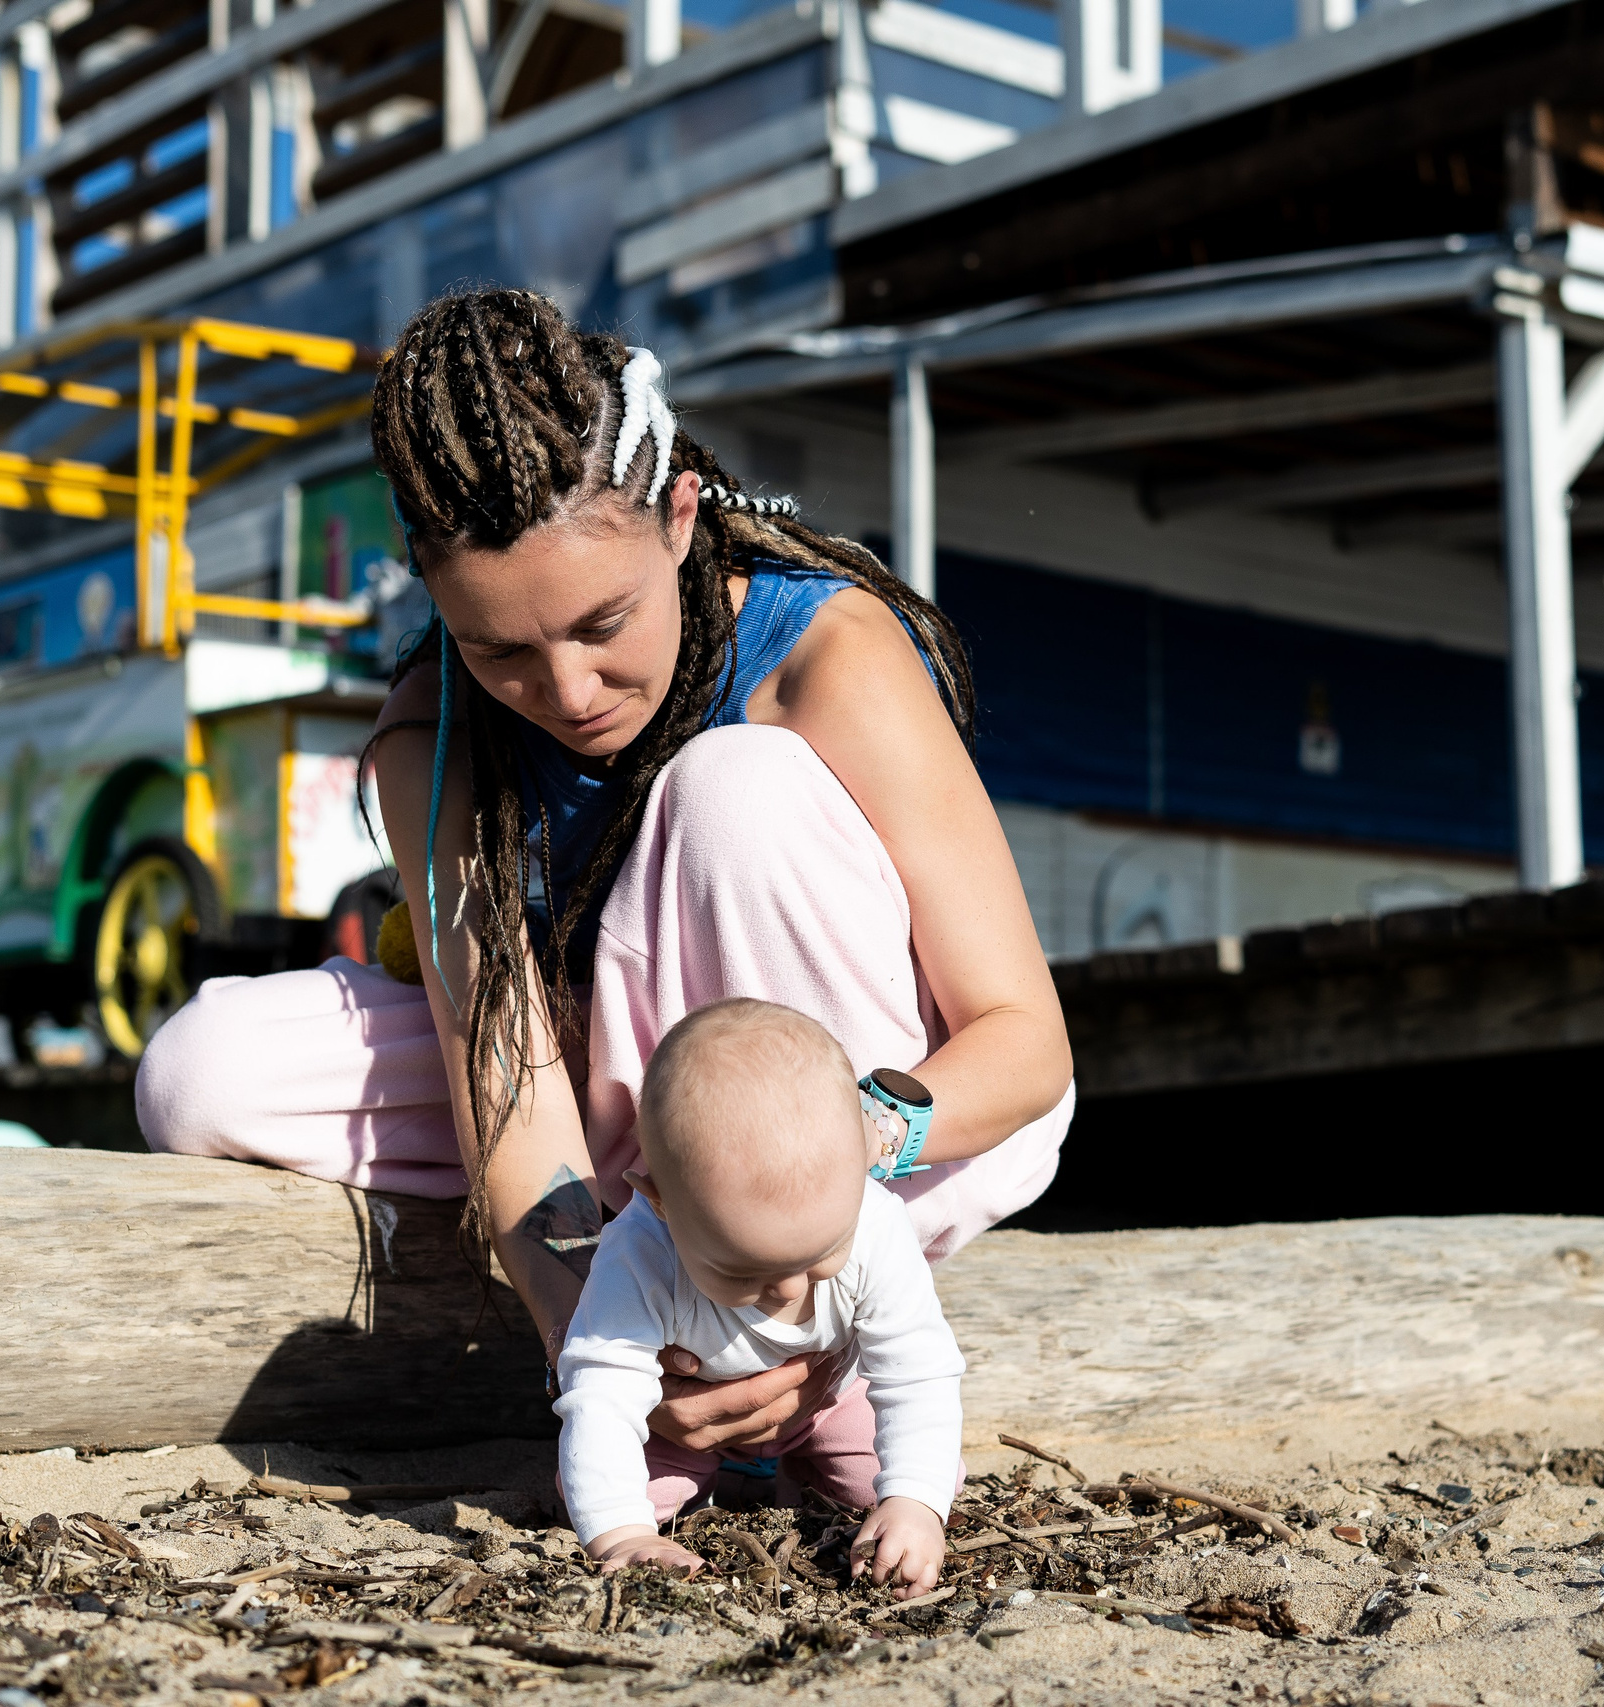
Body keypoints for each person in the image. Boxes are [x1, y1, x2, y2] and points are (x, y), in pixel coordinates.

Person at [138, 287, 1074, 1463]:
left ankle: (804, 1309)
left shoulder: (826, 654)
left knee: (731, 790)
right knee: (202, 1075)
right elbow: (507, 1072)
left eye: (603, 622)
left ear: (680, 517)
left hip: (877, 1112)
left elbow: (1024, 1039)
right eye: (500, 650)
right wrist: (597, 1340)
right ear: (433, 597)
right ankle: (675, 1268)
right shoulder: (431, 732)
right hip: (614, 1092)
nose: (568, 691)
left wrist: (820, 1165)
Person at [558, 999, 961, 1597]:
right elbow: (602, 1398)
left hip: (832, 1400)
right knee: (604, 1496)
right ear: (660, 1204)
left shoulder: (876, 1224)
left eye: (825, 1253)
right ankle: (704, 1490)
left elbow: (917, 1370)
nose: (793, 1290)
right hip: (676, 1418)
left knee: (911, 1484)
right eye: (743, 1271)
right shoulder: (639, 1255)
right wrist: (622, 1534)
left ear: (868, 1161)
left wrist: (915, 1502)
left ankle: (803, 1472)